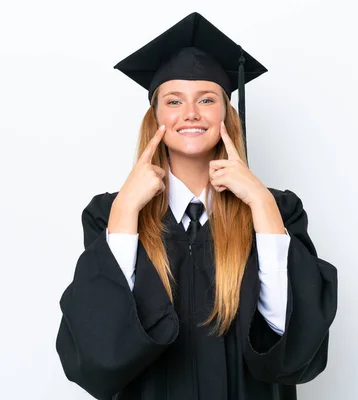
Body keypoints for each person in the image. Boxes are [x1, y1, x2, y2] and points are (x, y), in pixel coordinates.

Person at [55, 12, 338, 400]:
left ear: (227, 113)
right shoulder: (110, 213)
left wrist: (260, 202)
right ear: (155, 116)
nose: (191, 113)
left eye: (207, 99)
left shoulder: (278, 210)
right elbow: (96, 351)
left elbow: (295, 348)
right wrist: (125, 215)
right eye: (174, 101)